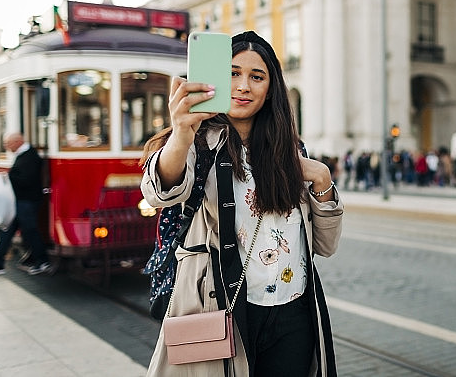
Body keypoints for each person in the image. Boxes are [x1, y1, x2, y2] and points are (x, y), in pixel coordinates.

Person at [141, 31, 343, 376]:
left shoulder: (293, 152)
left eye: (256, 76)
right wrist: (181, 134)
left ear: (270, 88)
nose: (243, 86)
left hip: (294, 309)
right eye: (233, 73)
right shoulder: (197, 143)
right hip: (224, 307)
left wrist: (322, 178)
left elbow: (324, 245)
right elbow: (159, 191)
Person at [0, 132, 51, 277]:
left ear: (18, 142)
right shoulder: (25, 155)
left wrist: (9, 177)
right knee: (8, 231)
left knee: (29, 230)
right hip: (20, 201)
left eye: (8, 144)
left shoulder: (30, 156)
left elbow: (26, 180)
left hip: (27, 201)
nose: (6, 147)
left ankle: (42, 261)